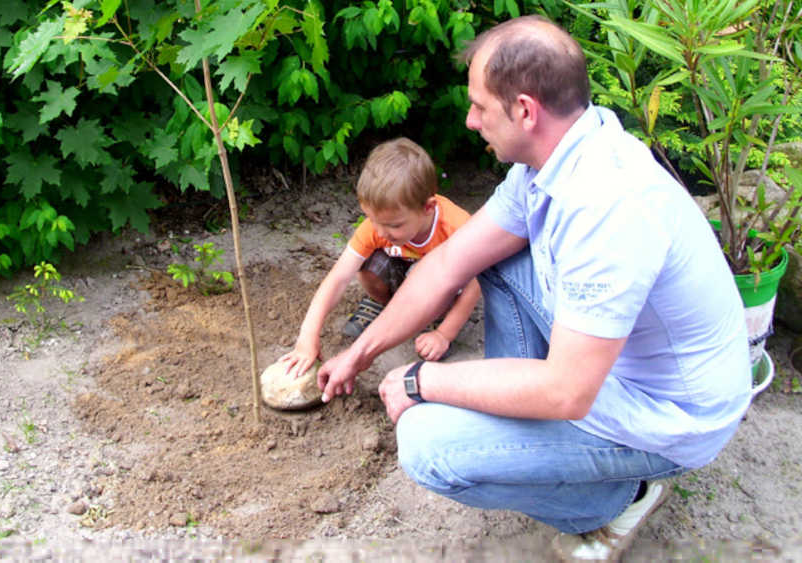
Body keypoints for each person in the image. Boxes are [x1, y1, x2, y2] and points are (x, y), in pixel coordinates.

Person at [317, 15, 751, 563]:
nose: (471, 121)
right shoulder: (549, 164)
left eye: (479, 106)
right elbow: (450, 262)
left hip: (666, 414)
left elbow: (568, 392)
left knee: (429, 447)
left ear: (525, 109)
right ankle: (522, 423)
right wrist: (361, 352)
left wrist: (424, 380)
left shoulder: (606, 207)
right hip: (609, 366)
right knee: (498, 255)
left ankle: (619, 499)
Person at [280, 137, 482, 379]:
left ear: (428, 207)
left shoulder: (457, 228)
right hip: (403, 275)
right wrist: (307, 336)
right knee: (367, 262)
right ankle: (384, 306)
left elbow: (476, 285)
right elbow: (338, 278)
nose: (380, 231)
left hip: (442, 283)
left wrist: (445, 334)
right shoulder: (377, 227)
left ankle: (437, 318)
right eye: (371, 219)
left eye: (393, 225)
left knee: (448, 280)